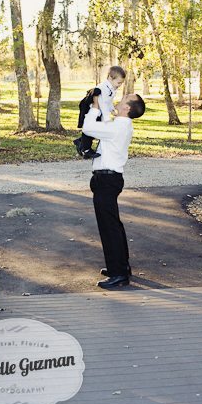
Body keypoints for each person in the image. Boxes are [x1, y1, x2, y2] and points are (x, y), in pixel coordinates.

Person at [82, 91, 146, 289]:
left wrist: (94, 107)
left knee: (109, 227)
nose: (120, 99)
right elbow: (107, 112)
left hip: (107, 181)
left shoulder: (118, 126)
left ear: (127, 108)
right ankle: (120, 267)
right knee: (113, 226)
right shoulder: (120, 124)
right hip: (108, 179)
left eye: (124, 98)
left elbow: (88, 128)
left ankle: (119, 274)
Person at [74, 66, 126, 159]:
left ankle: (81, 142)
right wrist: (107, 119)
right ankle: (86, 149)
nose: (120, 85)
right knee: (91, 129)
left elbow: (108, 101)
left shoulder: (112, 88)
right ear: (110, 77)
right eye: (119, 82)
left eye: (121, 83)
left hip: (100, 111)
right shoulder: (103, 88)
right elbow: (102, 103)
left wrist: (112, 110)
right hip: (93, 110)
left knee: (95, 130)